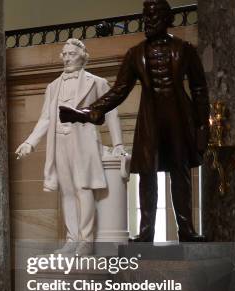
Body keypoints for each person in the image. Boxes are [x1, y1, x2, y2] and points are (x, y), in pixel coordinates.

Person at [59, 0, 210, 242]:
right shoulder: (135, 53)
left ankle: (186, 230)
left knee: (180, 173)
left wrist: (203, 128)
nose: (148, 21)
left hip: (179, 118)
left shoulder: (185, 49)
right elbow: (118, 91)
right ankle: (146, 230)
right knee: (147, 174)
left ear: (166, 19)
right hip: (150, 119)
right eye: (145, 16)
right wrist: (87, 112)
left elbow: (200, 89)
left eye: (153, 16)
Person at [15, 38, 126, 255]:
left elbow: (111, 113)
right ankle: (72, 239)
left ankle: (86, 240)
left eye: (71, 54)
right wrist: (30, 142)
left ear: (83, 57)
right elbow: (46, 118)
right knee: (66, 191)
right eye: (64, 54)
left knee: (83, 188)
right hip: (60, 142)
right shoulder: (53, 86)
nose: (66, 58)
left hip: (83, 141)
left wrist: (119, 143)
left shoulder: (96, 82)